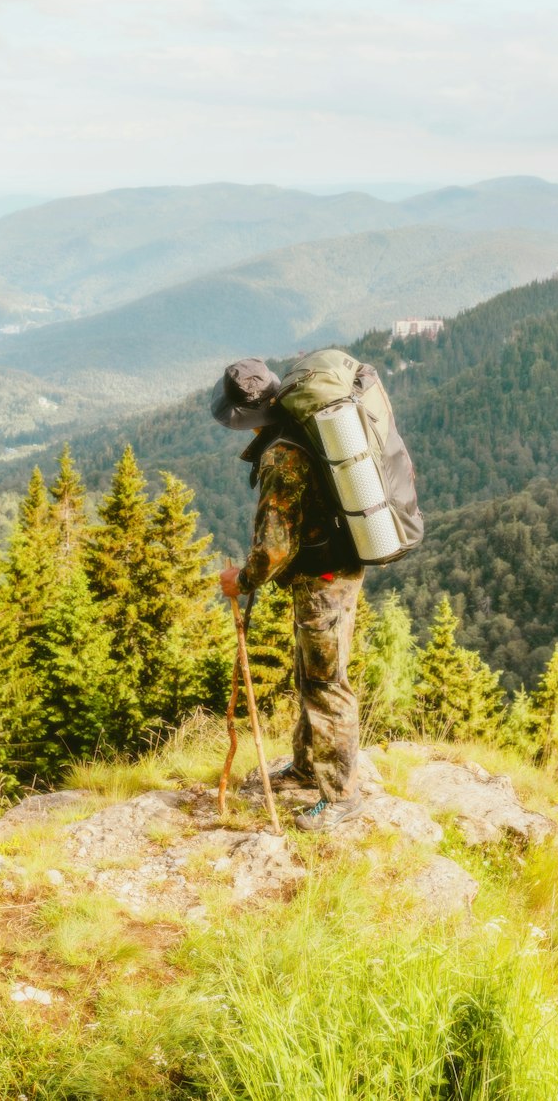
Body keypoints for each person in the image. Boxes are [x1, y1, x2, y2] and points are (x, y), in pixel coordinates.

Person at [212, 357, 364, 833]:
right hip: (334, 570)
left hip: (324, 581)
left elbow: (275, 546)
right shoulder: (300, 427)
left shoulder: (282, 455)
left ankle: (341, 797)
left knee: (325, 684)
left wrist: (244, 579)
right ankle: (305, 768)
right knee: (310, 672)